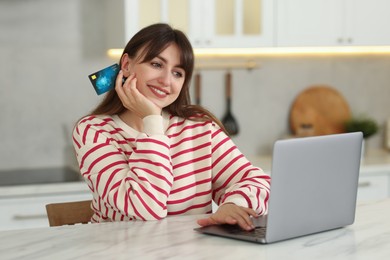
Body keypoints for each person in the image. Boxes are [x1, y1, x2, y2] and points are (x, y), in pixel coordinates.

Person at [72, 23, 270, 231]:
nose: (166, 80)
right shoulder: (93, 131)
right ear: (127, 64)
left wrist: (233, 205)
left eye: (177, 73)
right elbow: (146, 208)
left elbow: (256, 181)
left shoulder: (199, 127)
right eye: (157, 64)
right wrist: (152, 120)